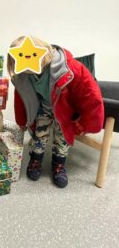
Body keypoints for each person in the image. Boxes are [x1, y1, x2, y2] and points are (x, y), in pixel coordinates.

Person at [7, 35, 104, 188]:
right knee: (39, 135)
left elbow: (91, 95)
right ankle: (36, 160)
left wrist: (87, 123)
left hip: (65, 110)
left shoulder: (70, 67)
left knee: (62, 138)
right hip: (44, 107)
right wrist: (21, 120)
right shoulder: (24, 75)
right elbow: (21, 97)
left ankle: (58, 166)